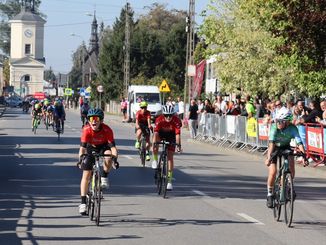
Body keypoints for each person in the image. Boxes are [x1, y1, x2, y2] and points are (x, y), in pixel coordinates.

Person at [77, 108, 119, 215]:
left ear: (101, 120)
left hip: (103, 147)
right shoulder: (86, 129)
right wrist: (80, 159)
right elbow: (82, 148)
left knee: (108, 156)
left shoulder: (107, 130)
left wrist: (115, 159)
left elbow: (113, 148)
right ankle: (83, 203)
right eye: (91, 119)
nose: (94, 121)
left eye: (96, 119)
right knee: (86, 175)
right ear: (89, 120)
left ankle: (104, 177)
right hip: (91, 148)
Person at [265, 107, 305, 208]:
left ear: (287, 122)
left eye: (281, 121)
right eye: (277, 120)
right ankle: (270, 194)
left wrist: (304, 155)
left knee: (291, 167)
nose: (278, 123)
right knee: (273, 172)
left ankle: (288, 186)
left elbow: (299, 142)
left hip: (286, 147)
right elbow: (271, 144)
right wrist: (269, 158)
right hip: (274, 148)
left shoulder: (292, 128)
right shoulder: (274, 127)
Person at [151, 105, 182, 190]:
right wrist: (154, 143)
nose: (168, 117)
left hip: (171, 136)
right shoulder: (159, 119)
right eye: (166, 115)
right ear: (163, 114)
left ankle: (169, 181)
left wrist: (179, 145)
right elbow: (156, 133)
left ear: (173, 114)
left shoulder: (176, 121)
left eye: (170, 115)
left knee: (170, 157)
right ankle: (155, 160)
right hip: (161, 134)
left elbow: (177, 135)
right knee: (155, 143)